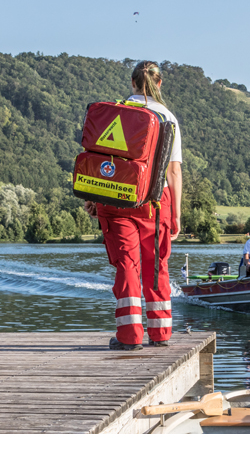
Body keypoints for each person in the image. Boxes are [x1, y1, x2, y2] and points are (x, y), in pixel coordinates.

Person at [85, 61, 182, 351]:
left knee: (127, 265)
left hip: (116, 198)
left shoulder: (115, 112)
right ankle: (161, 333)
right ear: (159, 83)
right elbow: (174, 172)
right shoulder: (167, 116)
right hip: (155, 201)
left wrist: (93, 197)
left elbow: (98, 157)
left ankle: (129, 337)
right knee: (156, 267)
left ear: (132, 83)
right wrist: (175, 213)